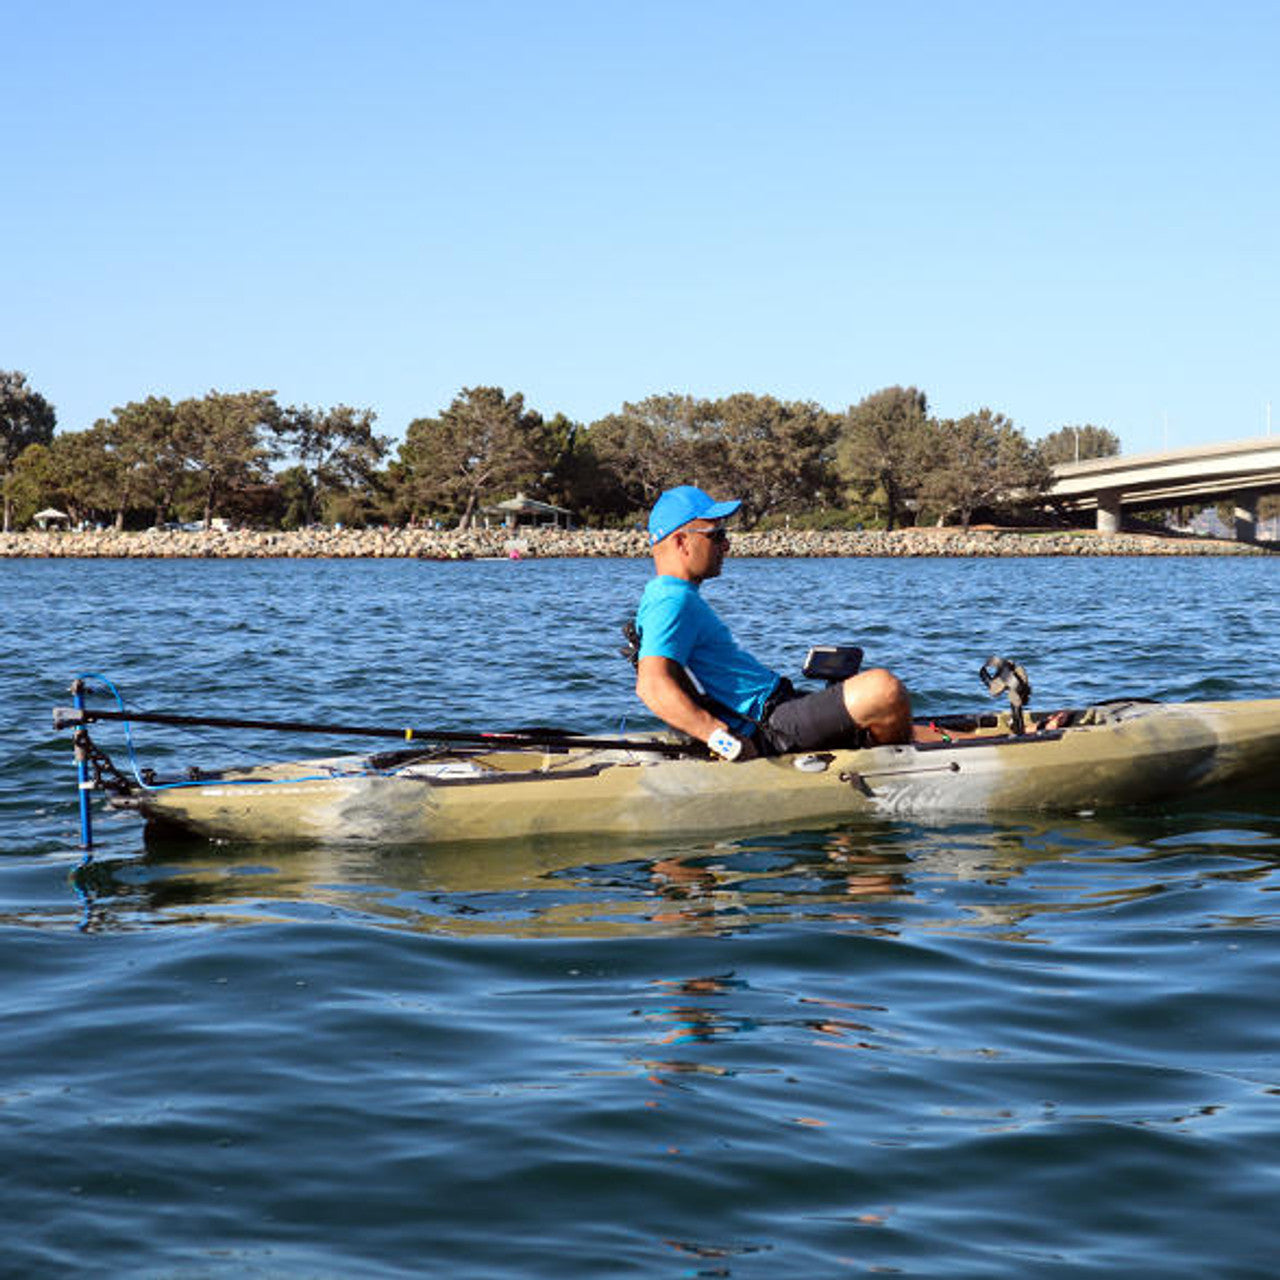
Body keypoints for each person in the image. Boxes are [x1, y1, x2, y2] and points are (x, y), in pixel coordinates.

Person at [634, 485, 912, 760]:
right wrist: (720, 738)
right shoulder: (671, 601)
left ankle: (885, 749)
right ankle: (893, 771)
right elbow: (652, 686)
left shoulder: (670, 595)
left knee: (907, 722)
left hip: (779, 707)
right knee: (884, 691)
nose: (726, 544)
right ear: (682, 542)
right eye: (717, 535)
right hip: (769, 726)